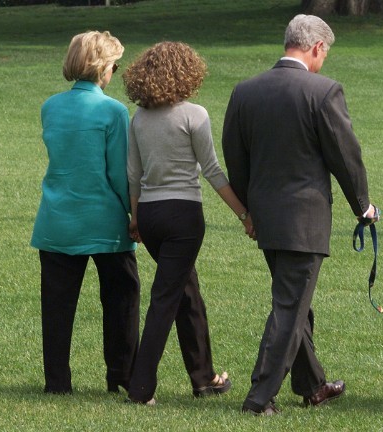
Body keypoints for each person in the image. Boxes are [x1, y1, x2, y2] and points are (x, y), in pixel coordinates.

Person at [221, 14, 381, 416]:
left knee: (294, 301)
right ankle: (259, 399)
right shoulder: (324, 92)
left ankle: (312, 385)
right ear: (317, 48)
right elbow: (346, 156)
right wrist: (362, 206)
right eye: (326, 52)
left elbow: (234, 156)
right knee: (290, 308)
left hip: (264, 217)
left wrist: (247, 210)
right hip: (303, 220)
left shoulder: (245, 91)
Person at [121, 41, 254, 406]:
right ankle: (141, 387)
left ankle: (204, 377)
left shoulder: (139, 118)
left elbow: (134, 173)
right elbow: (212, 171)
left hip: (149, 215)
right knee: (165, 298)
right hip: (183, 218)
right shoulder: (195, 115)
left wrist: (135, 218)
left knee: (185, 292)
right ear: (187, 74)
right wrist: (244, 215)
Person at [31, 30, 141, 395]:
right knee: (121, 300)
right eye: (115, 65)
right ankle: (122, 377)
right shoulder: (113, 111)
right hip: (105, 222)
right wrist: (134, 214)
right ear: (103, 68)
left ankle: (57, 382)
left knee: (57, 308)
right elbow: (118, 173)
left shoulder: (50, 106)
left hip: (57, 220)